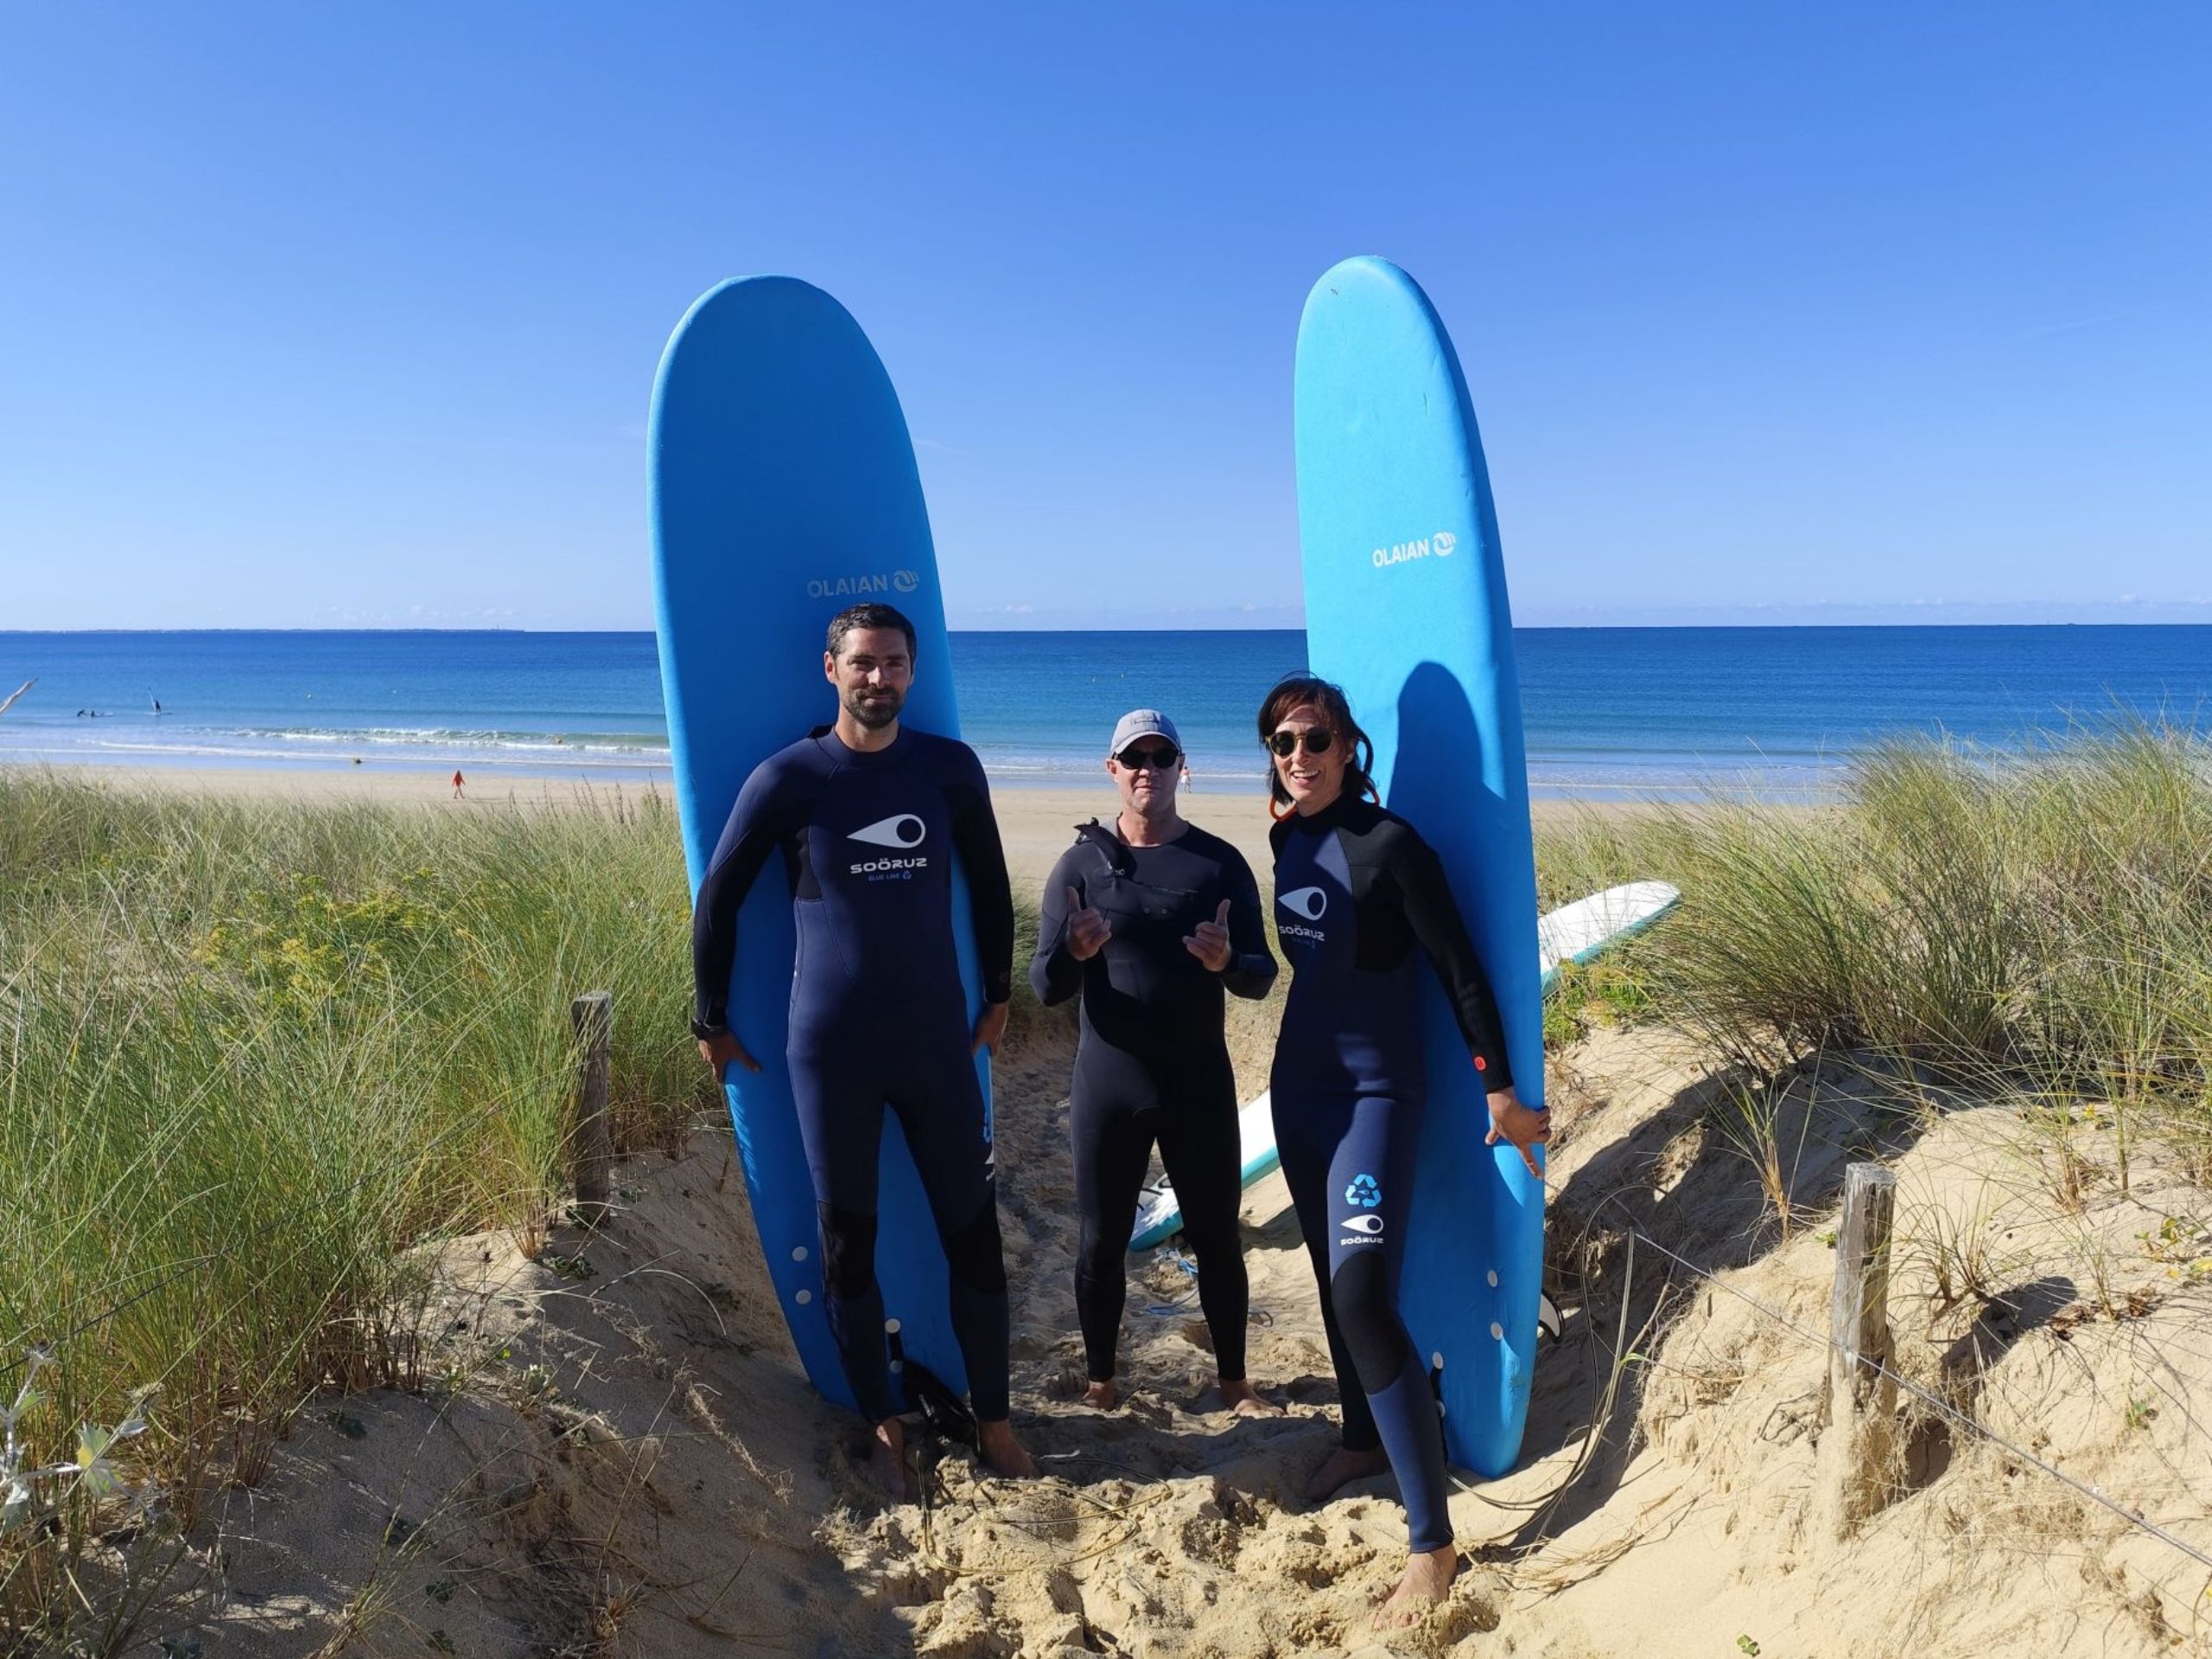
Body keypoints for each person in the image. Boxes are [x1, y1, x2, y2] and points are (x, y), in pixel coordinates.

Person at [690, 602, 1034, 1499]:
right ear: (829, 669)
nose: (877, 679)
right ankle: (881, 1419)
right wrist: (709, 1020)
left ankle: (993, 1419)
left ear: (912, 673)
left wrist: (998, 997)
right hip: (830, 1045)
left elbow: (991, 885)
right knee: (849, 1245)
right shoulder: (789, 779)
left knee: (973, 1233)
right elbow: (718, 901)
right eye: (861, 663)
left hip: (934, 1043)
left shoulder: (949, 770)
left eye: (892, 664)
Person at [1257, 674, 1549, 1629]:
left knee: (1358, 1295)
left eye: (1311, 739)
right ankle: (1357, 1434)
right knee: (1326, 1270)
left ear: (1348, 747)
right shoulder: (1285, 836)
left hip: (1377, 1097)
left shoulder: (1392, 849)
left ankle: (1432, 1544)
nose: (1295, 757)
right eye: (1279, 743)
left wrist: (1499, 1090)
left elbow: (1460, 970)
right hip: (1297, 1093)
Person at [1031, 710, 1280, 1416]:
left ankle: (1234, 1383)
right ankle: (1103, 1384)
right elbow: (1043, 987)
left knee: (1214, 1235)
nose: (1147, 769)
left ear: (1182, 768)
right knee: (1101, 1241)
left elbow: (1260, 976)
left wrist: (1228, 960)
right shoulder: (1079, 867)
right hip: (1108, 1083)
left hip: (1197, 1080)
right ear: (1111, 769)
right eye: (1132, 757)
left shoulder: (1218, 864)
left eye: (1161, 756)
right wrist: (1073, 955)